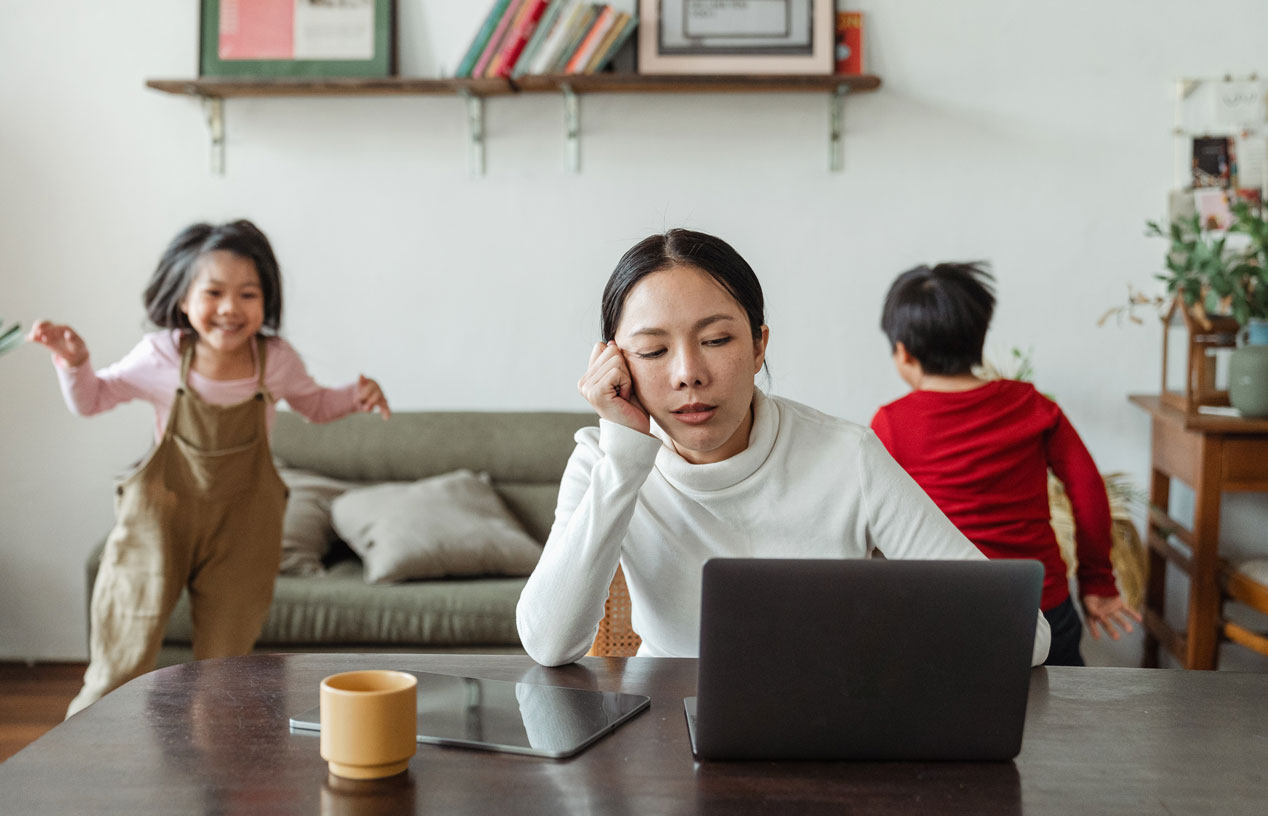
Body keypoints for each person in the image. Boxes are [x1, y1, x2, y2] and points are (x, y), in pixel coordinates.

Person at [516, 229, 1050, 667]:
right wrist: (625, 457)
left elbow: (1025, 636)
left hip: (827, 722)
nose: (688, 375)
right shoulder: (603, 461)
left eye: (717, 340)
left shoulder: (848, 456)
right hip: (665, 732)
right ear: (616, 365)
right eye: (653, 350)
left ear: (758, 347)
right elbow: (548, 644)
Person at [28, 219, 391, 716]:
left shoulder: (275, 361)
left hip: (242, 529)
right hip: (158, 522)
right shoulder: (160, 355)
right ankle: (82, 767)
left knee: (224, 674)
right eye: (214, 292)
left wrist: (356, 396)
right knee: (119, 662)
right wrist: (74, 363)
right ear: (182, 299)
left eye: (248, 293)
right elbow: (92, 400)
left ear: (266, 301)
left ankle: (213, 781)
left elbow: (316, 405)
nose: (229, 308)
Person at [869, 262, 1141, 667]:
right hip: (1042, 607)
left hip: (947, 613)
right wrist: (1097, 580)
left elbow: (875, 518)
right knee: (1062, 723)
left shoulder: (891, 423)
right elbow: (1087, 490)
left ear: (903, 353)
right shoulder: (1033, 406)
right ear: (979, 339)